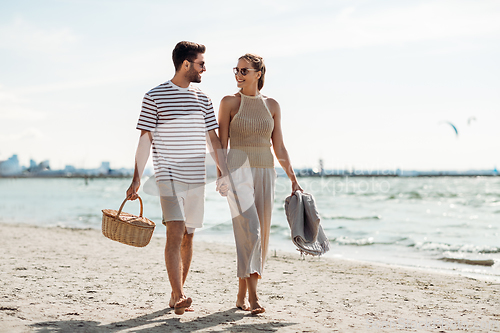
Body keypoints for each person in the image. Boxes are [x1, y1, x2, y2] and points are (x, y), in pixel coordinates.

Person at [126, 41, 228, 315]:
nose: (204, 69)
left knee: (188, 236)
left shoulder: (203, 98)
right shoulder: (154, 96)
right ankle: (181, 294)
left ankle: (175, 295)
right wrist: (136, 178)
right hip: (168, 177)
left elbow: (213, 140)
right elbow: (145, 139)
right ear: (186, 64)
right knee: (175, 231)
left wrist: (224, 173)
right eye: (201, 63)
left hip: (196, 179)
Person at [217, 53, 302, 314]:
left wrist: (293, 179)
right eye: (237, 70)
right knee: (250, 230)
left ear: (258, 73)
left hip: (266, 172)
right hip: (237, 172)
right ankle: (253, 297)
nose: (239, 74)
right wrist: (222, 174)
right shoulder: (229, 102)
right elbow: (222, 144)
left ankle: (241, 294)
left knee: (259, 233)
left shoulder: (272, 105)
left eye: (244, 70)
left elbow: (279, 146)